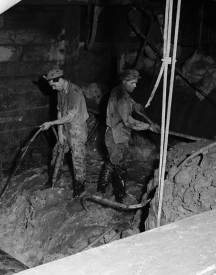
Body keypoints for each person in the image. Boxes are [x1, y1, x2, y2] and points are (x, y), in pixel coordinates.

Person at [97, 69, 160, 203]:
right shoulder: (122, 99)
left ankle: (101, 189)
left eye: (136, 83)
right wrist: (149, 126)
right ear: (124, 81)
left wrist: (135, 104)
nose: (135, 86)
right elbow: (129, 122)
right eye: (132, 83)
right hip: (117, 137)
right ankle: (120, 200)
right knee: (120, 168)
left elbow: (128, 101)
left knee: (111, 162)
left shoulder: (118, 90)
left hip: (112, 134)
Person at [39, 68, 89, 198]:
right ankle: (52, 181)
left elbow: (70, 117)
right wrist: (60, 133)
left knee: (78, 161)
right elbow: (60, 112)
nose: (53, 88)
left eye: (54, 85)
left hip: (77, 129)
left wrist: (52, 123)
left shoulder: (75, 92)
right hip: (65, 128)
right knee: (56, 153)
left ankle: (79, 191)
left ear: (60, 80)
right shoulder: (60, 91)